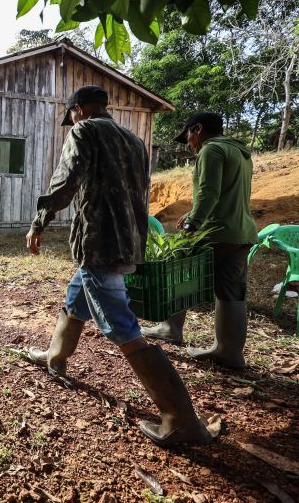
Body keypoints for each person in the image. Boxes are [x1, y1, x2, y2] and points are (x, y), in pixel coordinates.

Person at [25, 86, 211, 447]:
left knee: (123, 327)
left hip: (101, 244)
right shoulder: (133, 140)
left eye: (72, 116)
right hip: (128, 241)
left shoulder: (85, 130)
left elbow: (66, 183)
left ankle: (181, 420)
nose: (73, 121)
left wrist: (39, 222)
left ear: (78, 110)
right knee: (77, 295)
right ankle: (55, 356)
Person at [141, 113, 258, 368]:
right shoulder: (239, 152)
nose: (190, 144)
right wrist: (193, 213)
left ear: (198, 129)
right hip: (241, 232)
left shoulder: (212, 150)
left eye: (189, 137)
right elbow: (227, 194)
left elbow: (209, 191)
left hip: (214, 231)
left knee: (176, 271)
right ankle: (230, 352)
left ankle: (170, 328)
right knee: (231, 291)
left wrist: (194, 223)